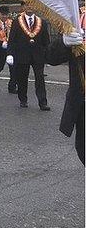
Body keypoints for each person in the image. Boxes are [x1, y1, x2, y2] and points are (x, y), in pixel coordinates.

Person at [46, 9, 85, 163]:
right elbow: (51, 57)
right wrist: (64, 41)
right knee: (83, 149)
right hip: (83, 103)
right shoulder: (78, 21)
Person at [6, 5, 51, 110]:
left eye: (32, 4)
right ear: (24, 7)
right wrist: (10, 53)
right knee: (22, 79)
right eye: (27, 5)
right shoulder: (17, 22)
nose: (30, 7)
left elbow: (46, 41)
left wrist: (48, 55)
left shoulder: (42, 22)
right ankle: (23, 99)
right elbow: (12, 39)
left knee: (40, 79)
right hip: (22, 55)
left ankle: (42, 102)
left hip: (38, 56)